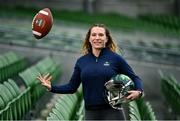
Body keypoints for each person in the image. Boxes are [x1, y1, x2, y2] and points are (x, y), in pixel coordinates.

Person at [37, 23, 143, 120]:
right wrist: (52, 88)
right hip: (90, 113)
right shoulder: (81, 62)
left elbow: (135, 78)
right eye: (94, 35)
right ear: (89, 38)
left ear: (106, 39)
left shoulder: (116, 59)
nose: (97, 38)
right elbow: (72, 87)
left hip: (113, 113)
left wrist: (139, 91)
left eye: (101, 35)